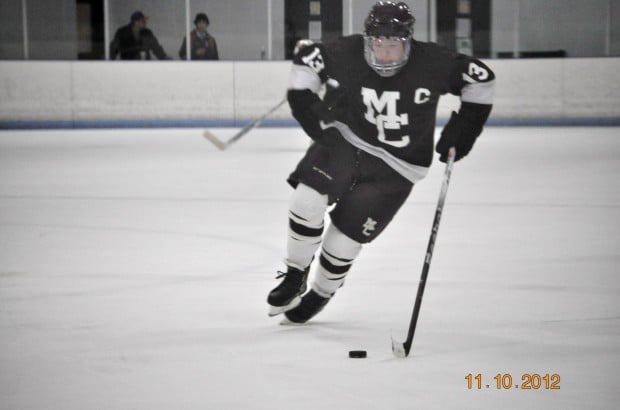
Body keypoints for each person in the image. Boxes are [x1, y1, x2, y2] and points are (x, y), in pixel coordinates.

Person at [267, 1, 495, 324]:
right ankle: (294, 274)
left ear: (408, 42)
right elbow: (307, 59)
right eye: (378, 44)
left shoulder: (432, 62)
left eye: (394, 45)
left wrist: (464, 129)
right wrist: (307, 103)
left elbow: (482, 79)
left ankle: (319, 293)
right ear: (368, 40)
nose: (385, 54)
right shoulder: (349, 52)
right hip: (347, 140)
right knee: (306, 200)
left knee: (342, 242)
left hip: (398, 167)